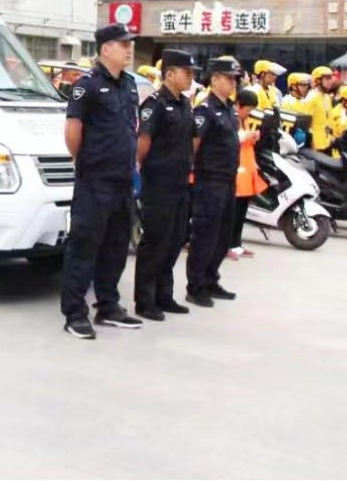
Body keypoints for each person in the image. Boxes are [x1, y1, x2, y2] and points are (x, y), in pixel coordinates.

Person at [61, 23, 142, 339]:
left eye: (130, 44)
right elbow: (73, 131)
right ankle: (74, 313)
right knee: (84, 246)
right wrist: (85, 161)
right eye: (124, 44)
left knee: (116, 246)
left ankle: (108, 306)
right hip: (95, 180)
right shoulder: (88, 86)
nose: (129, 49)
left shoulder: (129, 85)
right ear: (106, 48)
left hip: (123, 180)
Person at [132, 48, 200, 321]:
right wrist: (144, 170)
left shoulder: (185, 103)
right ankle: (145, 300)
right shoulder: (155, 104)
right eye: (187, 72)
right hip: (159, 183)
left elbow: (193, 138)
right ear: (170, 74)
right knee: (155, 242)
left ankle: (164, 295)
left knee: (174, 241)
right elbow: (143, 142)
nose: (191, 77)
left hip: (180, 183)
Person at [186, 58, 243, 308]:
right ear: (215, 79)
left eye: (235, 79)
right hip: (210, 180)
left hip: (228, 180)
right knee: (205, 234)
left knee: (223, 235)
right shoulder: (205, 110)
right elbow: (193, 145)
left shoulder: (229, 108)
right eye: (229, 78)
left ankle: (211, 280)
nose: (233, 83)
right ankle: (195, 286)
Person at [228, 90, 267, 261]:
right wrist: (245, 137)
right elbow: (231, 140)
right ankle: (227, 245)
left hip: (246, 171)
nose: (249, 113)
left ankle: (236, 244)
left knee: (241, 212)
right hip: (236, 172)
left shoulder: (244, 120)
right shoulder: (232, 118)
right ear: (239, 105)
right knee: (232, 213)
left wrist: (253, 137)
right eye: (248, 109)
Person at [304, 66, 336, 152]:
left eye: (331, 78)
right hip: (315, 144)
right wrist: (311, 142)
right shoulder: (311, 98)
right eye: (327, 79)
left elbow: (329, 120)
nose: (330, 81)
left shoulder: (327, 97)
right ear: (318, 80)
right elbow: (307, 123)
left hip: (327, 142)